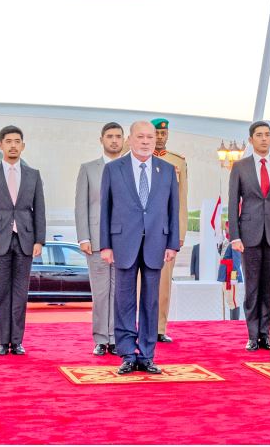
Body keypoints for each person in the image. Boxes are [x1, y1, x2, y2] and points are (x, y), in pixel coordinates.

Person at [100, 121, 180, 375]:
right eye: (140, 137)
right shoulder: (113, 169)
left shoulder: (167, 170)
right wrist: (105, 245)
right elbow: (105, 209)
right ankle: (126, 354)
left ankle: (146, 355)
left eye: (150, 137)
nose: (146, 141)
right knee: (124, 301)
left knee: (150, 302)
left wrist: (172, 243)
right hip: (123, 243)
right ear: (130, 140)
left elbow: (173, 209)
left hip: (156, 242)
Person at [0, 125, 46, 356]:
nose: (13, 145)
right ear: (0, 145)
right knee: (2, 293)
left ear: (23, 146)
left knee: (20, 294)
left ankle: (16, 341)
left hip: (26, 240)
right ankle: (2, 341)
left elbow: (39, 210)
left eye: (17, 141)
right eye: (8, 141)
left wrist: (39, 240)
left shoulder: (33, 175)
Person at [227, 120, 270, 351]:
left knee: (269, 287)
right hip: (249, 235)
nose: (264, 138)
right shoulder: (240, 167)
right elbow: (232, 203)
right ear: (251, 140)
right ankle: (252, 334)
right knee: (252, 287)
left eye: (267, 135)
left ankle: (265, 334)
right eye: (259, 135)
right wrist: (235, 236)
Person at [75, 122, 125, 356]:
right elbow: (81, 205)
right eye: (110, 136)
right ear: (101, 140)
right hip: (95, 241)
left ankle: (115, 338)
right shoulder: (88, 169)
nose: (114, 140)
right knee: (101, 293)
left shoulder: (130, 168)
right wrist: (83, 237)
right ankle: (100, 339)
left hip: (124, 241)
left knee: (120, 293)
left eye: (118, 136)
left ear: (124, 140)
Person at [151, 117, 187, 343]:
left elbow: (181, 200)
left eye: (163, 133)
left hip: (165, 231)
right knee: (138, 284)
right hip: (141, 231)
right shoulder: (135, 158)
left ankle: (159, 328)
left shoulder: (177, 162)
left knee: (163, 284)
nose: (160, 137)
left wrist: (180, 233)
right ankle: (138, 326)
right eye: (156, 133)